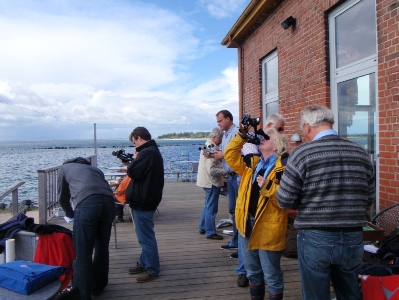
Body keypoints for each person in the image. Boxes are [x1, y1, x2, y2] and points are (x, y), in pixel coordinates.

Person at [276, 105, 375, 300]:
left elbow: (284, 199)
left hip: (316, 236)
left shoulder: (303, 153)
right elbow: (368, 198)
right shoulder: (360, 152)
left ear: (307, 127)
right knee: (350, 294)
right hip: (354, 236)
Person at [225, 127, 290, 300]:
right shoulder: (252, 165)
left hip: (268, 229)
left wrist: (269, 187)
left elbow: (286, 200)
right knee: (253, 272)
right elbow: (230, 155)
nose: (262, 139)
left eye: (267, 138)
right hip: (247, 225)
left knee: (271, 275)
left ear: (276, 147)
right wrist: (241, 135)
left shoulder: (283, 169)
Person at [57, 157, 116, 300]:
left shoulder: (64, 168)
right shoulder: (95, 169)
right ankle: (99, 286)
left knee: (83, 252)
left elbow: (62, 198)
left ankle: (82, 293)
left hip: (87, 203)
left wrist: (70, 214)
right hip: (109, 203)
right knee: (102, 247)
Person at [212, 110, 249, 287]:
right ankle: (236, 241)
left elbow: (237, 154)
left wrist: (222, 155)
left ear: (228, 119)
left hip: (238, 176)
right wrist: (216, 154)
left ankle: (239, 244)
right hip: (232, 176)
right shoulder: (227, 134)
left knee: (238, 211)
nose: (219, 123)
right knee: (233, 210)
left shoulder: (236, 133)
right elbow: (227, 153)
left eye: (220, 120)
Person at [126, 127, 164, 283]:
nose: (134, 145)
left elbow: (133, 172)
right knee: (145, 235)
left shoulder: (147, 153)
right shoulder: (151, 151)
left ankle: (152, 269)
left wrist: (133, 160)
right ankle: (144, 262)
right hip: (146, 198)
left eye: (134, 141)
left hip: (143, 200)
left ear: (139, 138)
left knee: (146, 237)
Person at [197, 127, 226, 240]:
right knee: (212, 208)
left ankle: (203, 227)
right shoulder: (211, 148)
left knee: (207, 205)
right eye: (221, 138)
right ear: (215, 137)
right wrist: (227, 171)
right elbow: (212, 170)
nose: (221, 140)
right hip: (212, 182)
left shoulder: (206, 145)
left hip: (205, 181)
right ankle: (210, 232)